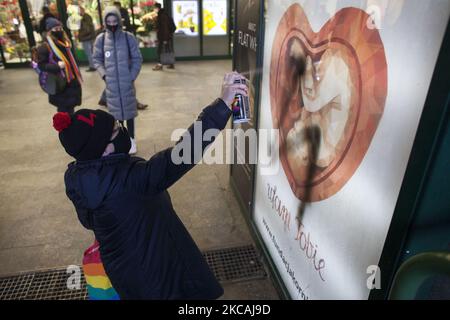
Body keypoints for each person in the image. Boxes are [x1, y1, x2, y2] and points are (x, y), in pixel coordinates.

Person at [53, 72, 248, 300]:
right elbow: (181, 154)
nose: (122, 130)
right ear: (105, 150)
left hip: (127, 275)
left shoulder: (80, 176)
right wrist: (223, 105)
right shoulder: (129, 182)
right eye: (116, 130)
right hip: (160, 279)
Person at [93, 6, 142, 154]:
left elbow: (137, 58)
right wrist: (104, 75)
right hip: (111, 86)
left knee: (130, 113)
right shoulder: (101, 40)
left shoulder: (128, 37)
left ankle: (132, 139)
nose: (112, 24)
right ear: (105, 22)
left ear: (119, 21)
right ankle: (121, 140)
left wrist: (131, 76)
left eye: (115, 21)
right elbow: (97, 59)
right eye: (109, 21)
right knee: (116, 116)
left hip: (127, 83)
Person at [37, 18, 82, 114]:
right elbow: (41, 65)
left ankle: (71, 127)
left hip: (71, 82)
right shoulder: (45, 47)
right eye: (55, 29)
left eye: (60, 28)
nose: (59, 31)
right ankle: (65, 128)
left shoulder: (66, 43)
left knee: (70, 109)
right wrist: (56, 66)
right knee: (64, 111)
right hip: (59, 84)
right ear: (49, 31)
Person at [152, 2, 176, 71]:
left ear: (157, 8)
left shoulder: (162, 15)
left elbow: (165, 28)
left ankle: (159, 65)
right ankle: (171, 64)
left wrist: (165, 39)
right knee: (168, 50)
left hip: (163, 37)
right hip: (166, 37)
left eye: (154, 8)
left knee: (160, 51)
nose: (154, 10)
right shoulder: (164, 14)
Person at [78, 6, 96, 72]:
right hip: (90, 37)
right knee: (91, 52)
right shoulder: (87, 17)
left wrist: (80, 35)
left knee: (89, 53)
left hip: (86, 38)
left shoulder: (84, 18)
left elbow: (86, 29)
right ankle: (94, 65)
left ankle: (92, 66)